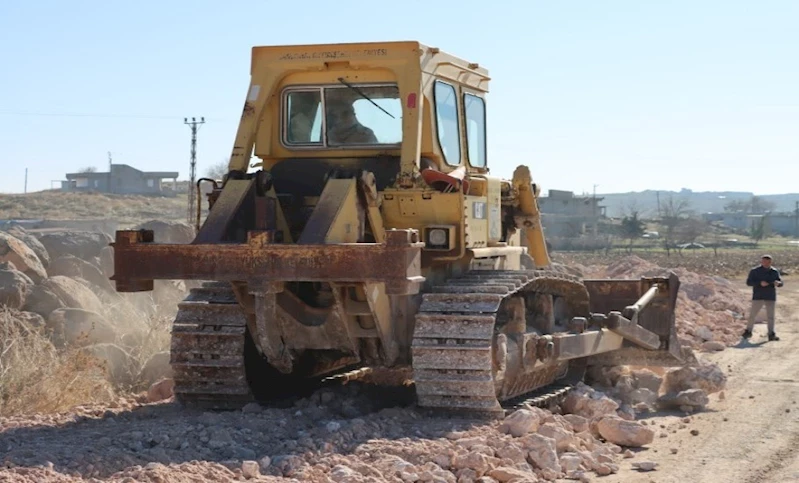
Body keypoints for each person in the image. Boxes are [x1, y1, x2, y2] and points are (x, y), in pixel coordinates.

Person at [742, 254, 783, 341]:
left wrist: (778, 283)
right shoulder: (754, 271)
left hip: (770, 296)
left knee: (770, 316)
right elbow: (749, 282)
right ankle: (748, 331)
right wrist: (759, 283)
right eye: (764, 261)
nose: (765, 263)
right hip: (758, 295)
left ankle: (771, 334)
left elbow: (780, 282)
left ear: (770, 262)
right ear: (761, 261)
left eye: (767, 262)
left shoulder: (774, 271)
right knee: (753, 315)